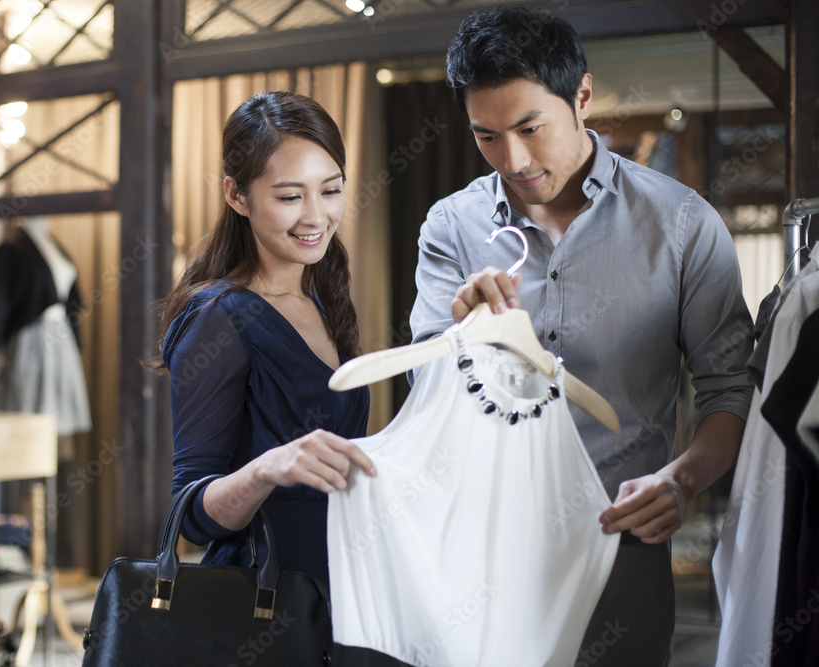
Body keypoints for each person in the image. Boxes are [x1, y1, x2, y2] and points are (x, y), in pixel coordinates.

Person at [409, 7, 754, 665]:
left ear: (583, 97)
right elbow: (427, 389)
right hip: (480, 551)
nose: (513, 158)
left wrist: (683, 481)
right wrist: (462, 334)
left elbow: (730, 389)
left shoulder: (683, 224)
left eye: (530, 127)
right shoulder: (451, 225)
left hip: (620, 547)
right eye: (486, 135)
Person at [154, 91, 377, 593]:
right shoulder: (218, 317)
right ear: (237, 196)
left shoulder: (321, 298)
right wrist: (268, 469)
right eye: (290, 197)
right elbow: (189, 515)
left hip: (337, 588)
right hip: (261, 601)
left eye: (331, 190)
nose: (316, 216)